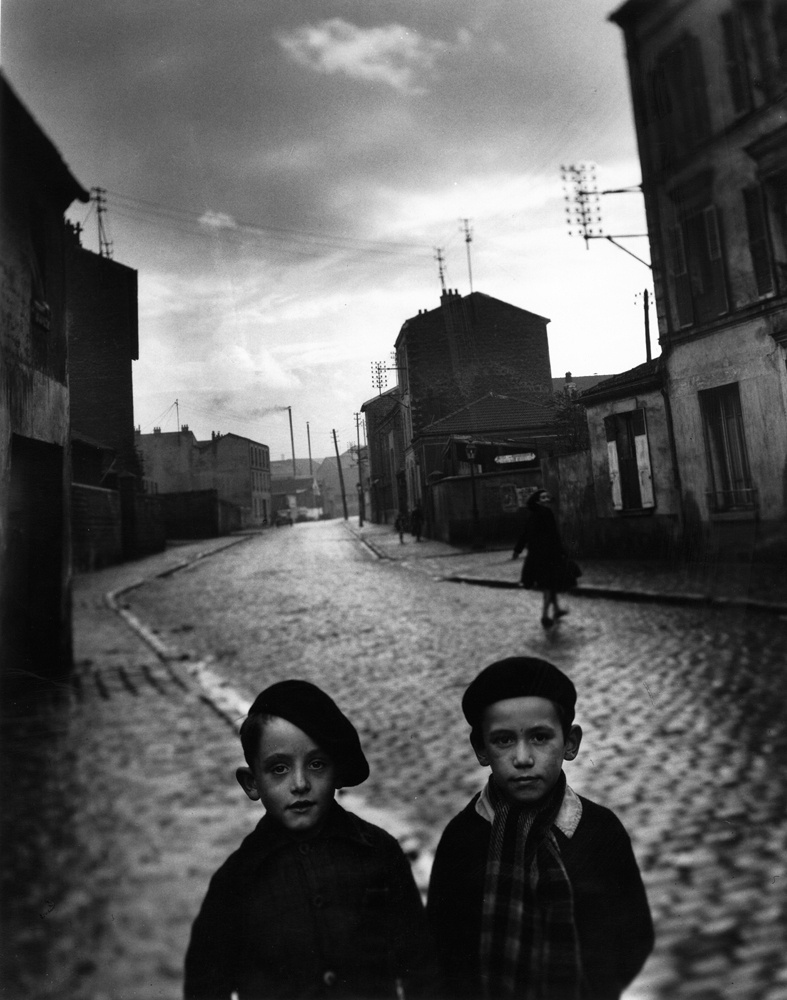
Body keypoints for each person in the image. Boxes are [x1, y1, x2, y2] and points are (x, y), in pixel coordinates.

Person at [184, 679, 434, 999]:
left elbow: (421, 966)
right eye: (279, 769)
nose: (300, 783)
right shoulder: (237, 880)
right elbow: (206, 984)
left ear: (337, 772)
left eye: (316, 764)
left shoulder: (378, 853)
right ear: (251, 783)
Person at [427, 657, 653, 1000]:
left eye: (540, 737)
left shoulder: (600, 833)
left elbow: (634, 936)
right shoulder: (463, 838)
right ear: (481, 749)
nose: (523, 758)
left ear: (570, 742)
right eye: (503, 740)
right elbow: (440, 949)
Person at [512, 488, 572, 629]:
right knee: (549, 585)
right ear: (538, 500)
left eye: (547, 497)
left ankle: (556, 610)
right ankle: (545, 615)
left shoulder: (533, 514)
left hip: (536, 556)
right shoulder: (546, 513)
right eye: (543, 498)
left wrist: (517, 550)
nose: (546, 500)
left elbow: (525, 534)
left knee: (550, 583)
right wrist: (562, 551)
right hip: (548, 555)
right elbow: (553, 535)